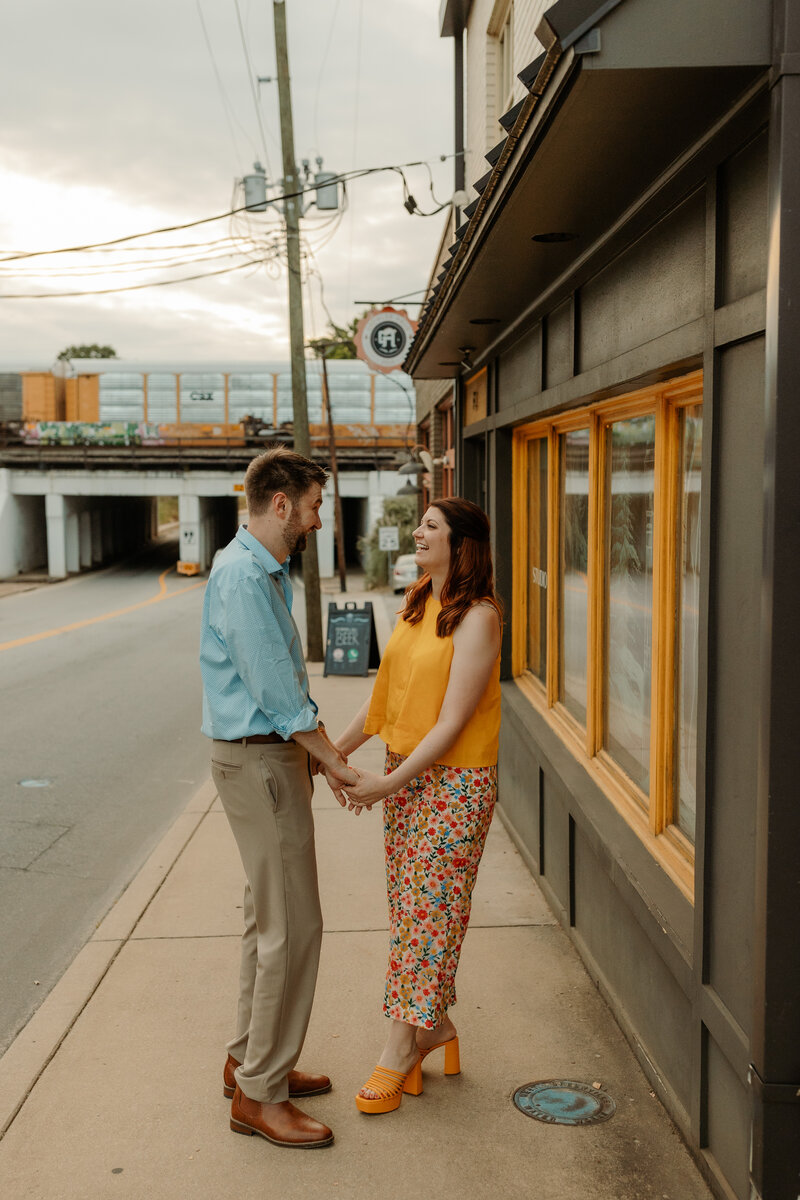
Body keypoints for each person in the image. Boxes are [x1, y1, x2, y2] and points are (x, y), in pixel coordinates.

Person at [199, 446, 358, 1149]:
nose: (320, 520)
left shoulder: (260, 573)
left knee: (267, 919)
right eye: (316, 505)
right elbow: (277, 693)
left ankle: (250, 1061)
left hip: (265, 760)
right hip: (260, 760)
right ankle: (260, 1094)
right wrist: (336, 761)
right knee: (293, 928)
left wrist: (314, 752)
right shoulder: (243, 577)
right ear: (282, 503)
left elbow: (282, 687)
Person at [332, 497, 502, 1114]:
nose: (418, 532)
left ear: (462, 543)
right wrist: (331, 754)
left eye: (431, 526)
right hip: (408, 776)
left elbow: (453, 722)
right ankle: (434, 1028)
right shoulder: (414, 601)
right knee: (413, 913)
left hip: (455, 784)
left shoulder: (477, 616)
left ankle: (399, 1048)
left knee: (430, 911)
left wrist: (387, 784)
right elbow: (383, 700)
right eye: (420, 524)